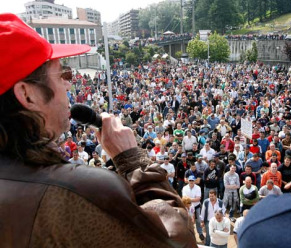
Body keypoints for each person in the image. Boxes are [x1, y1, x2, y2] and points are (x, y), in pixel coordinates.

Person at [0, 14, 196, 247]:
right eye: (63, 74)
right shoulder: (82, 191)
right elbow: (176, 241)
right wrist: (134, 162)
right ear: (27, 94)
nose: (69, 84)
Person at [182, 175, 205, 242]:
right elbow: (184, 199)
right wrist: (193, 199)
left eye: (192, 180)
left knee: (198, 221)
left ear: (195, 181)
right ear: (188, 181)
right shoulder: (184, 188)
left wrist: (188, 199)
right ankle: (188, 235)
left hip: (196, 207)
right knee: (187, 221)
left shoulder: (198, 188)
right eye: (190, 180)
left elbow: (198, 199)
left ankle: (200, 233)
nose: (191, 182)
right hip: (187, 208)